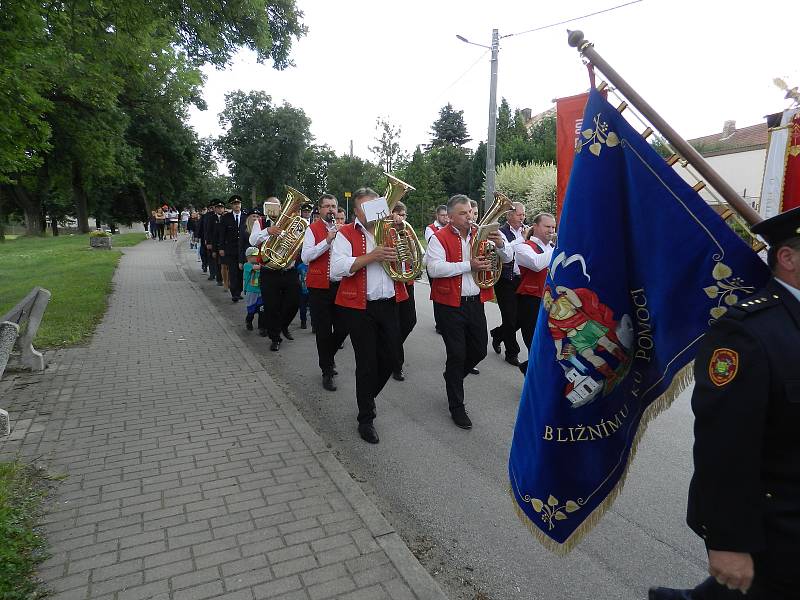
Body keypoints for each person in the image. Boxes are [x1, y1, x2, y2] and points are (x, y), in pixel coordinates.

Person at [649, 205, 800, 600]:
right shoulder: (748, 333)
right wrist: (729, 540)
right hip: (780, 530)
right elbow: (725, 444)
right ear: (787, 258)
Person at [426, 194, 512, 430]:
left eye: (471, 213)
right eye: (463, 214)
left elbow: (509, 257)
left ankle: (452, 378)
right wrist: (469, 265)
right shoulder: (438, 238)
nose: (470, 217)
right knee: (456, 353)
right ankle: (456, 406)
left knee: (478, 350)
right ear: (451, 217)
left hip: (476, 301)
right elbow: (434, 269)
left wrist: (502, 245)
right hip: (449, 304)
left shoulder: (482, 235)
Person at [330, 187, 407, 444]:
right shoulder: (345, 233)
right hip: (360, 308)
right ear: (355, 211)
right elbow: (337, 268)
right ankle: (366, 417)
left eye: (374, 206)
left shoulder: (392, 230)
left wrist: (402, 253)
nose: (370, 212)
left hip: (390, 303)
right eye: (364, 207)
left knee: (393, 358)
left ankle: (366, 396)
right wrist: (371, 256)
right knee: (366, 364)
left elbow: (408, 264)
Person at [302, 193, 347, 392]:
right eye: (327, 206)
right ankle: (327, 370)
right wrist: (327, 241)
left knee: (343, 327)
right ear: (319, 210)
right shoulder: (312, 229)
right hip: (319, 286)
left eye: (334, 206)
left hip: (340, 286)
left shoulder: (344, 230)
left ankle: (328, 358)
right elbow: (305, 257)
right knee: (323, 331)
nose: (331, 210)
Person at [249, 200, 301, 351]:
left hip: (289, 269)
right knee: (271, 306)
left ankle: (283, 325)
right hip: (269, 271)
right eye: (269, 205)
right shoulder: (260, 222)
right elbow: (252, 241)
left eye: (276, 205)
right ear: (266, 208)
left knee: (294, 302)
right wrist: (268, 231)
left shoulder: (292, 221)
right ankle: (275, 338)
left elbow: (297, 240)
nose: (273, 208)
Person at [513, 212, 556, 375]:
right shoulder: (523, 247)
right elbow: (537, 264)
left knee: (550, 344)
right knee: (535, 344)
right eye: (547, 226)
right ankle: (534, 384)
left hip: (551, 301)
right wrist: (560, 248)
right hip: (530, 301)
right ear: (535, 227)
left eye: (553, 227)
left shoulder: (552, 248)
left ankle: (528, 368)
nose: (551, 230)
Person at [490, 202, 527, 367]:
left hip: (522, 279)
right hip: (505, 279)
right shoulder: (500, 232)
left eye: (524, 214)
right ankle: (512, 353)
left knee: (521, 318)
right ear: (509, 215)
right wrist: (522, 238)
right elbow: (507, 254)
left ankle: (498, 334)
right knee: (510, 317)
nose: (523, 217)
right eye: (519, 215)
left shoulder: (525, 231)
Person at [390, 201, 418, 381]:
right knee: (395, 324)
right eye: (397, 213)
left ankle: (390, 347)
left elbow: (417, 254)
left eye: (403, 215)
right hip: (392, 282)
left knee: (409, 321)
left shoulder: (408, 232)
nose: (401, 218)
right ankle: (396, 364)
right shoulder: (384, 232)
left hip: (407, 281)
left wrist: (411, 246)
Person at [218, 195, 246, 302]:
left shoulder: (245, 216)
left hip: (242, 249)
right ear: (231, 205)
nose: (237, 206)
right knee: (233, 271)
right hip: (231, 249)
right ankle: (234, 293)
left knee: (241, 272)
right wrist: (221, 247)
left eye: (238, 204)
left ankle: (239, 291)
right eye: (235, 204)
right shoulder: (226, 218)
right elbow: (222, 234)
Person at [242, 247, 266, 335]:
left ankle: (262, 327)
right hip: (251, 291)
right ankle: (248, 321)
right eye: (255, 256)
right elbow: (257, 268)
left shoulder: (259, 264)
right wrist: (264, 266)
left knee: (262, 310)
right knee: (251, 310)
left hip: (260, 291)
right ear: (249, 257)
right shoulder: (247, 265)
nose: (257, 258)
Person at [204, 201, 225, 286]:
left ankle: (225, 278)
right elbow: (208, 231)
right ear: (215, 209)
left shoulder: (226, 217)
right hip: (214, 242)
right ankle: (218, 278)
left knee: (224, 261)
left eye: (221, 208)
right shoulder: (211, 218)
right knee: (216, 261)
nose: (220, 209)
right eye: (218, 208)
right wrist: (209, 242)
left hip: (223, 242)